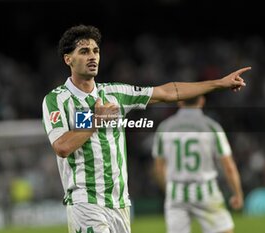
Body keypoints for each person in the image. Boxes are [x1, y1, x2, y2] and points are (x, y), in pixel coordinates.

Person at [42, 24, 250, 233]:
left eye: (96, 51)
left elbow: (168, 92)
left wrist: (219, 83)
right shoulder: (56, 100)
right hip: (86, 202)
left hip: (120, 203)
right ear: (68, 59)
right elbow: (61, 147)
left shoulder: (115, 93)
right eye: (84, 51)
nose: (92, 57)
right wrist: (95, 120)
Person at [152, 95, 243, 233]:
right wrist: (237, 194)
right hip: (206, 190)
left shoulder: (165, 127)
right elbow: (229, 167)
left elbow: (158, 168)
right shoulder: (211, 126)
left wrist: (169, 190)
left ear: (180, 101)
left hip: (176, 192)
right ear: (202, 101)